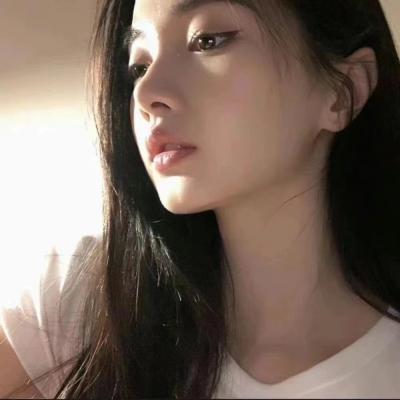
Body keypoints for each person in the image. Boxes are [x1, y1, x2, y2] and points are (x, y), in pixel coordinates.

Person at [1, 0, 400, 398]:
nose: (147, 93)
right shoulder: (82, 303)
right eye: (139, 66)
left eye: (208, 40)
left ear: (342, 92)